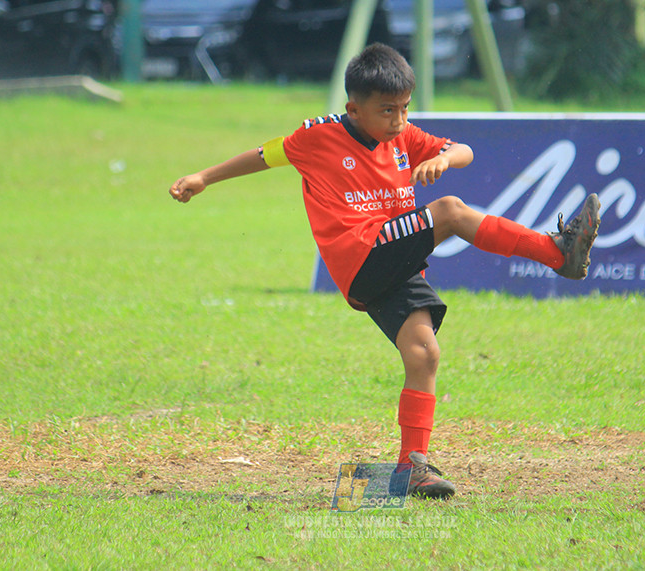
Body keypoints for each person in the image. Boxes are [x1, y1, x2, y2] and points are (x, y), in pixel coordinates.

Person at [169, 43, 600, 500]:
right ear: (354, 109)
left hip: (390, 261)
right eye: (387, 110)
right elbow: (264, 155)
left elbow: (465, 151)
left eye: (405, 108)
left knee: (424, 354)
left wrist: (442, 158)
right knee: (451, 210)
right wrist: (203, 177)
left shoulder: (405, 137)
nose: (399, 120)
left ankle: (411, 468)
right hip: (359, 255)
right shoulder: (317, 137)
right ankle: (557, 254)